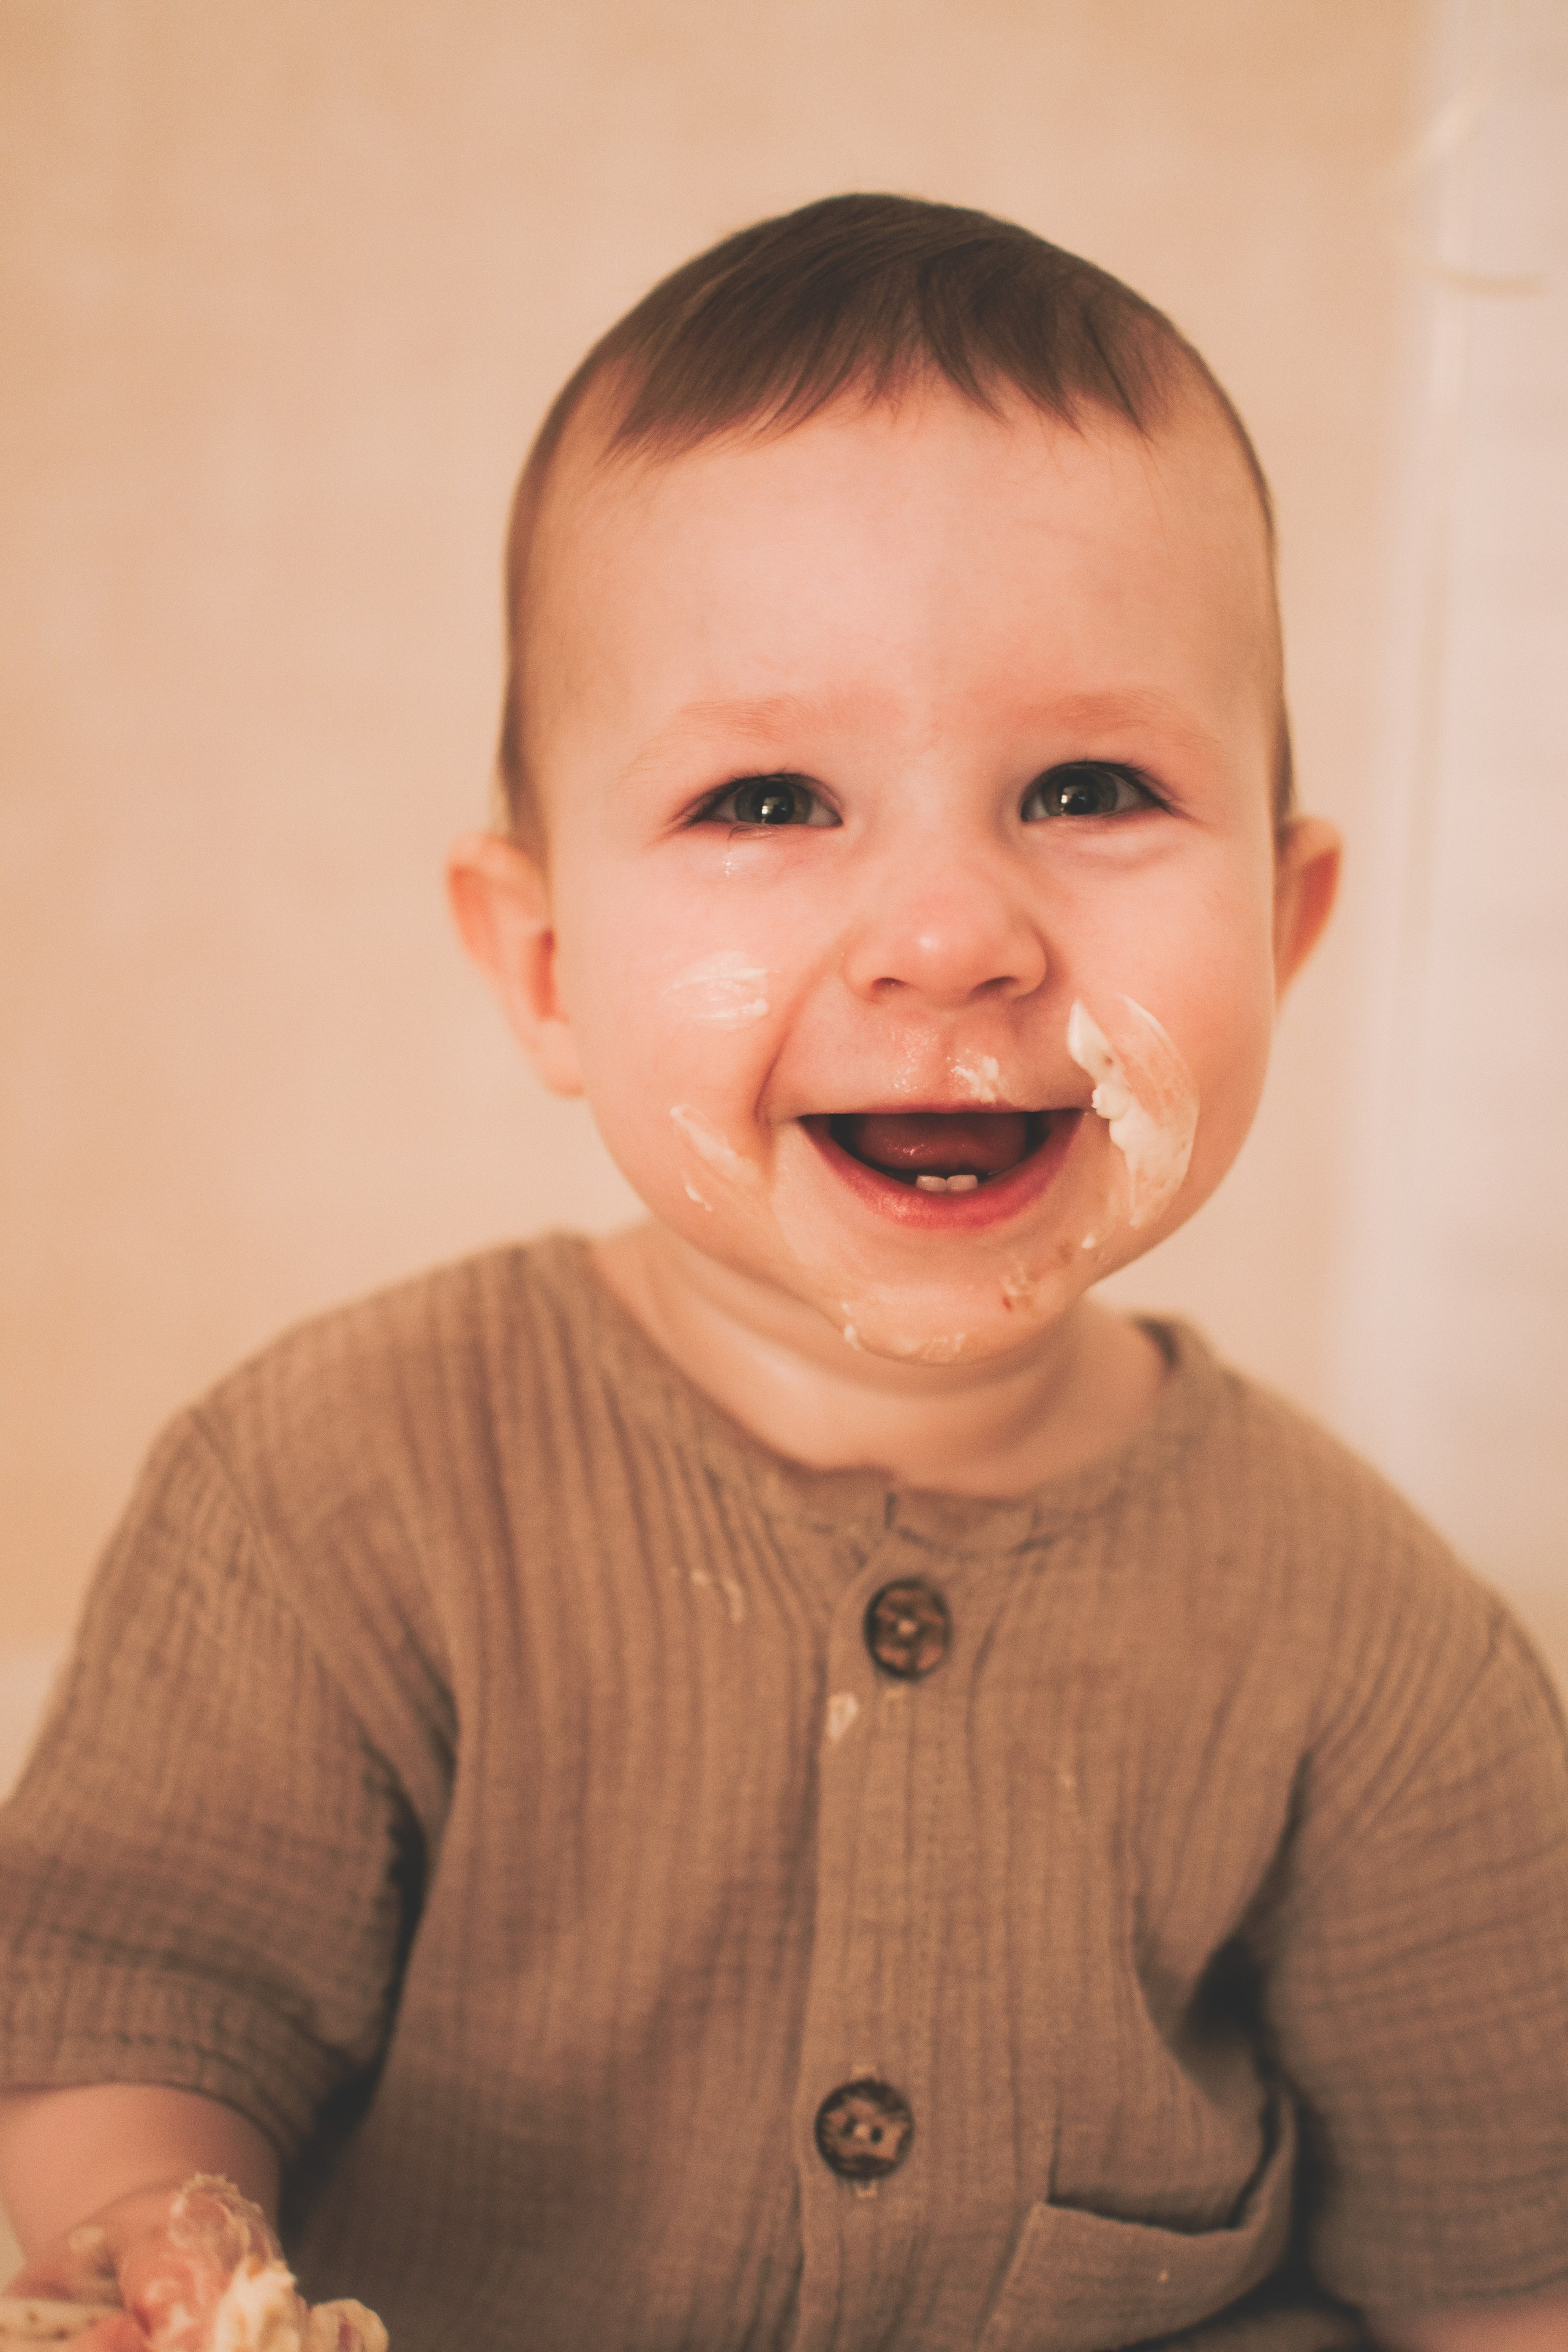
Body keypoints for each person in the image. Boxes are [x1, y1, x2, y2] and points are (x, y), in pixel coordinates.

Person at [1, 195, 1564, 2352]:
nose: (950, 935)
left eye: (1089, 785)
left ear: (1285, 938)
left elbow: (1502, 2267)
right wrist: (160, 2236)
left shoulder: (1375, 1650)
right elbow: (130, 1999)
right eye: (766, 800)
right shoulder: (326, 1497)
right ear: (548, 967)